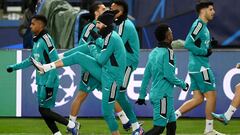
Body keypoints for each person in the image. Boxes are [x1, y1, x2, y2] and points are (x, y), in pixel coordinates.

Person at [31, 10, 144, 135]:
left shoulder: (111, 38)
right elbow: (89, 46)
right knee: (80, 54)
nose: (96, 26)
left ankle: (133, 126)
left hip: (111, 79)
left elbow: (100, 59)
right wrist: (94, 42)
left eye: (99, 23)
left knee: (106, 111)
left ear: (105, 25)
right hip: (105, 73)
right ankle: (47, 66)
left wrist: (93, 47)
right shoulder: (108, 35)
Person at [60, 1, 132, 132]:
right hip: (91, 67)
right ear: (96, 13)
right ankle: (71, 124)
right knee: (82, 95)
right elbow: (83, 46)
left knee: (108, 95)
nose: (106, 10)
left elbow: (105, 46)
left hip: (102, 68)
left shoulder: (108, 26)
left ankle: (127, 122)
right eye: (103, 8)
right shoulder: (89, 27)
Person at [6, 15, 79, 135]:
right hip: (40, 81)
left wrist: (50, 84)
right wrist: (14, 67)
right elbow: (31, 60)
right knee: (44, 110)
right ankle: (58, 132)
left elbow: (55, 61)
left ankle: (71, 125)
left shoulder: (46, 39)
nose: (30, 26)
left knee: (43, 110)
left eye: (33, 24)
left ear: (40, 25)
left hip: (49, 81)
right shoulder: (36, 40)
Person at [174, 1, 225, 134]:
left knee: (198, 99)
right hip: (201, 67)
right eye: (211, 9)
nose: (213, 12)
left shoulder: (204, 28)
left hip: (195, 67)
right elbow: (189, 43)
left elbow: (197, 44)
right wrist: (204, 51)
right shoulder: (199, 25)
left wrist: (208, 46)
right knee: (212, 96)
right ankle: (209, 130)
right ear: (203, 11)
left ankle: (173, 116)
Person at [135, 24, 189, 135]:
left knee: (172, 125)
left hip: (158, 94)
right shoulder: (168, 53)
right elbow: (169, 75)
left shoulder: (154, 52)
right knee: (159, 128)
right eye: (170, 32)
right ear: (167, 36)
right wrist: (183, 85)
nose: (172, 34)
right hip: (163, 97)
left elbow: (146, 75)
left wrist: (141, 95)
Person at [110, 0, 141, 130]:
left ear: (120, 11)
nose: (109, 12)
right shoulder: (119, 24)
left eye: (112, 10)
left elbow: (116, 45)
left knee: (119, 94)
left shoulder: (124, 25)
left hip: (128, 63)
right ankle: (131, 123)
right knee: (116, 94)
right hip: (122, 62)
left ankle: (135, 126)